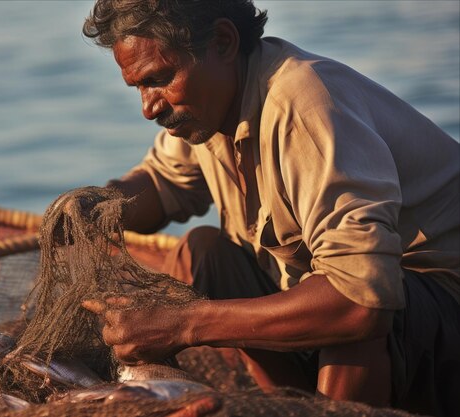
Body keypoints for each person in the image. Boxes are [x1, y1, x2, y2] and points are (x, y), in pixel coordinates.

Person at [77, 1, 460, 415]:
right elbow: (161, 183)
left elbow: (361, 303)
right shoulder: (206, 108)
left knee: (348, 298)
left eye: (159, 79)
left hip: (439, 317)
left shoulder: (302, 102)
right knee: (205, 251)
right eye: (138, 87)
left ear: (223, 41)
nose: (149, 107)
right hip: (371, 319)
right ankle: (287, 406)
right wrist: (98, 205)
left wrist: (182, 323)